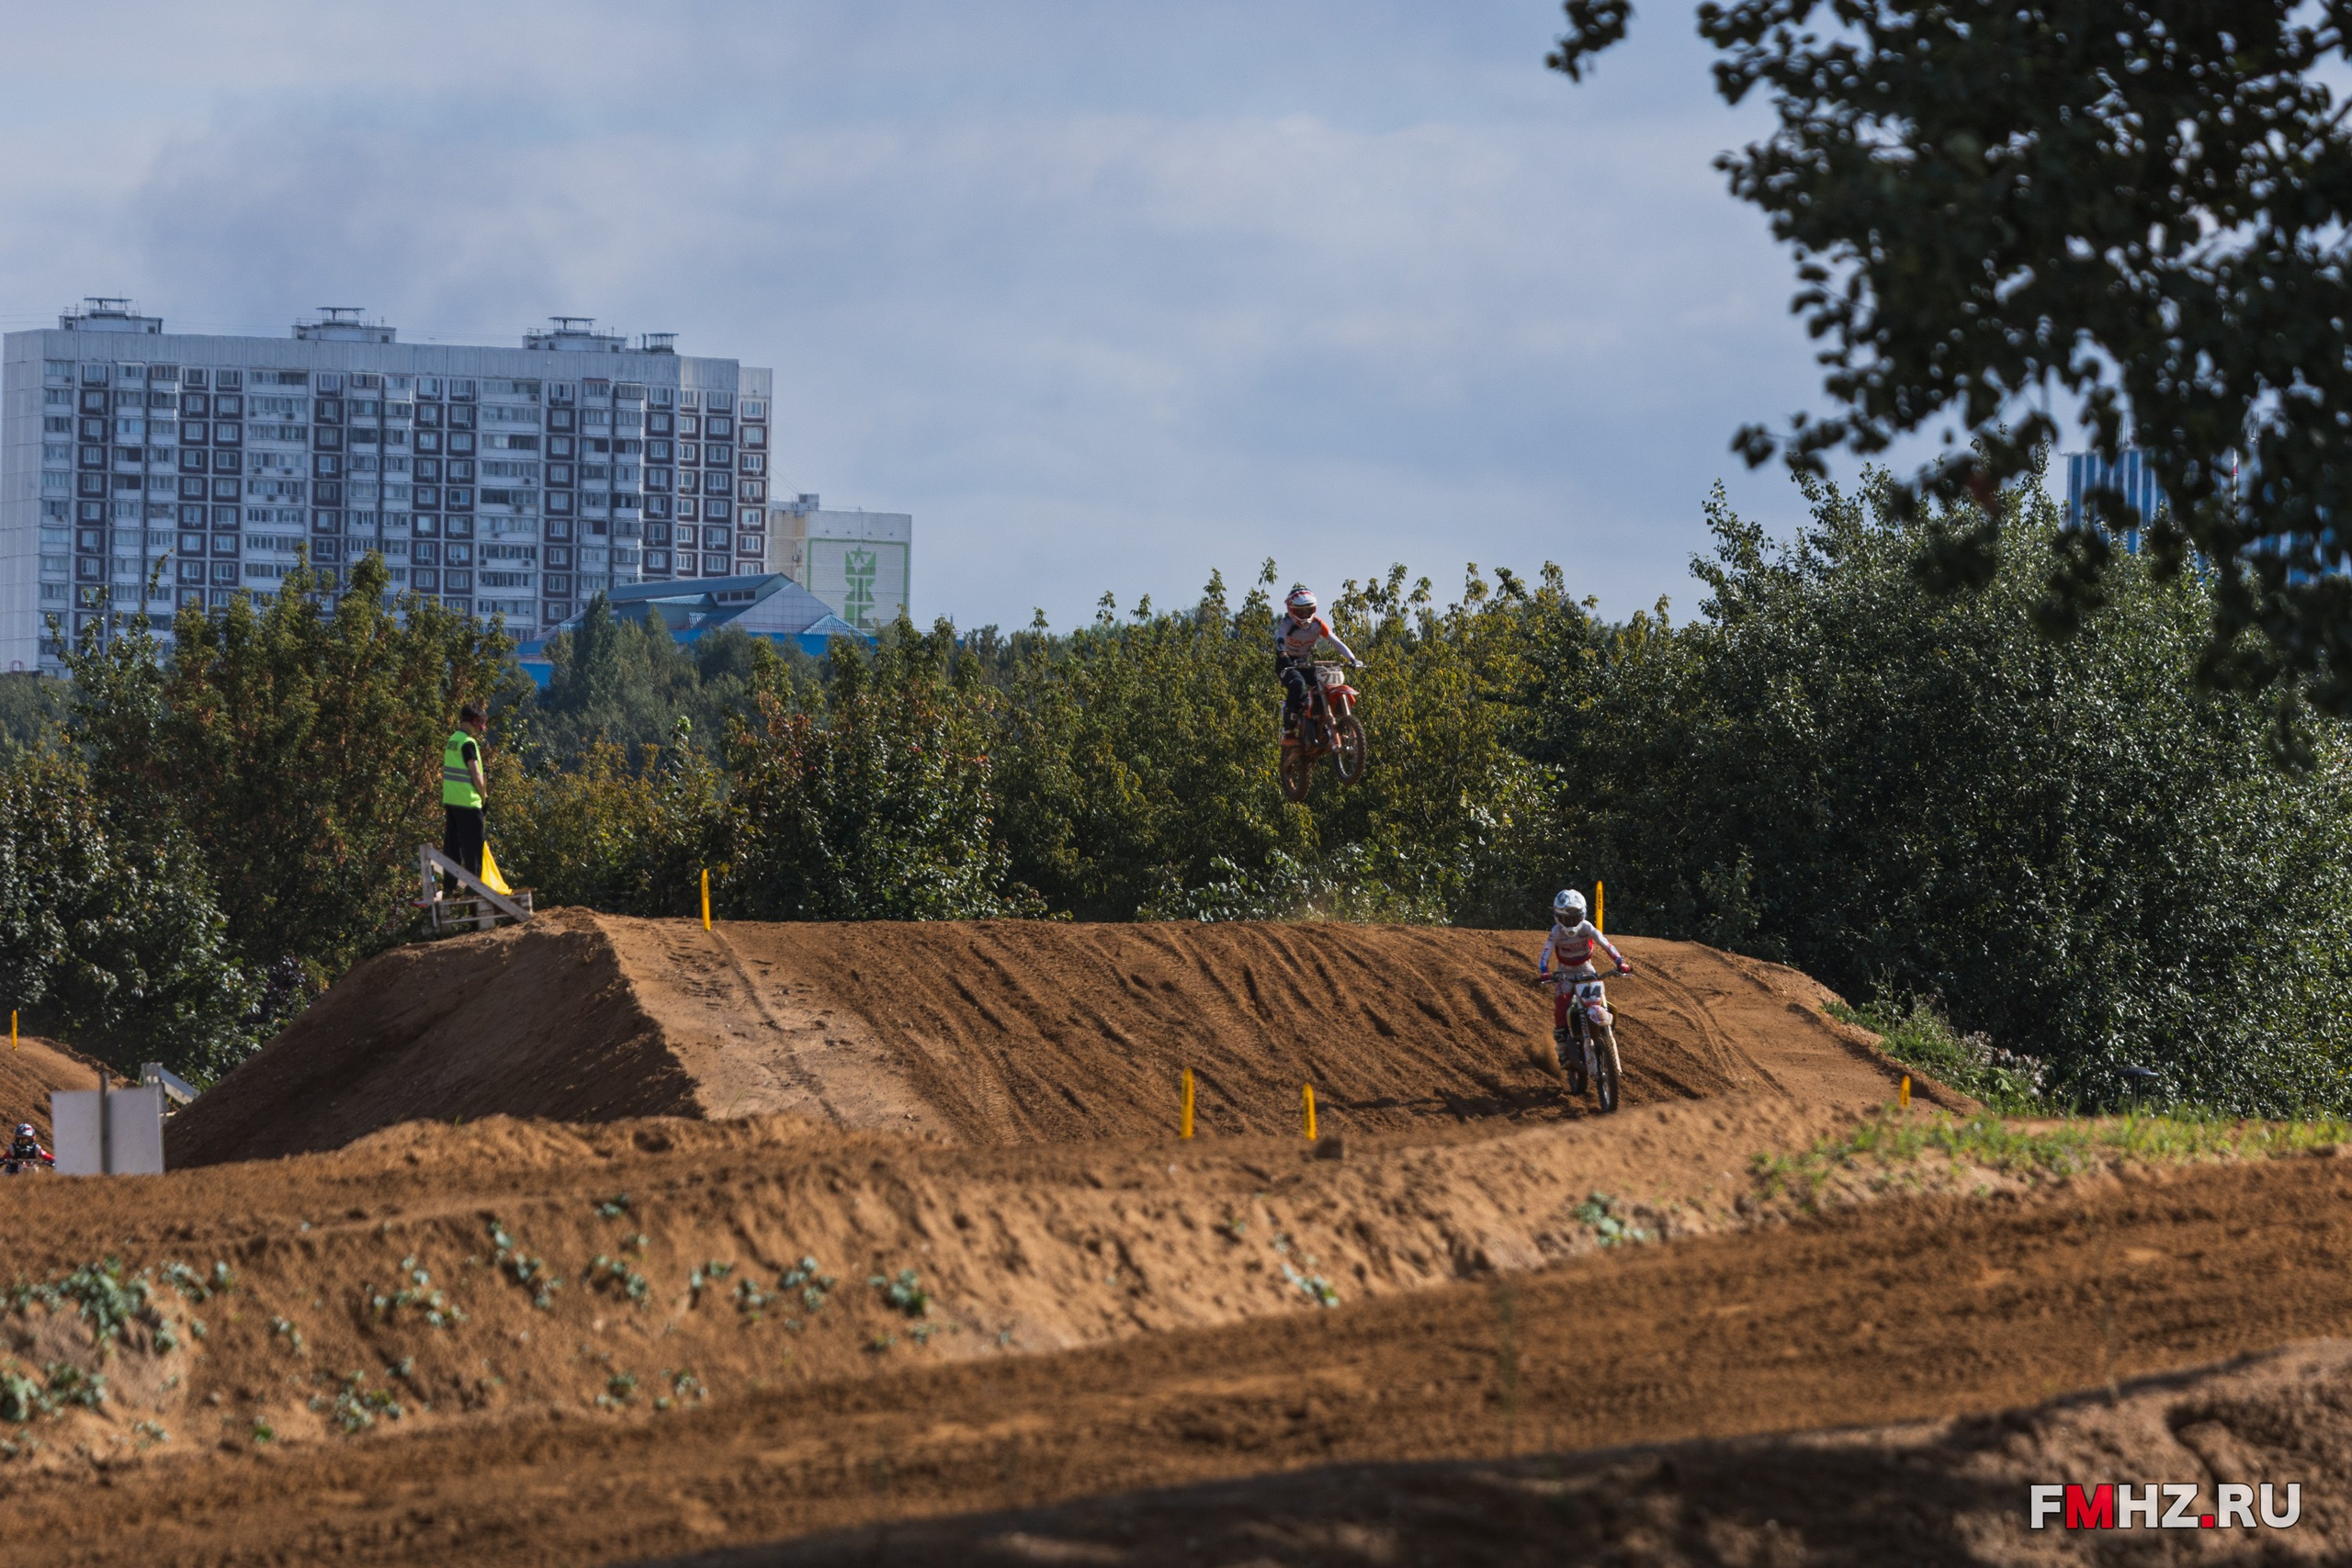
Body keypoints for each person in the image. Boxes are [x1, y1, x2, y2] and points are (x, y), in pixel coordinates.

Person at [1537, 888, 1631, 1047]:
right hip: (1564, 972)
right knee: (1562, 1001)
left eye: (1575, 918)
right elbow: (1546, 951)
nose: (1572, 923)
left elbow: (1605, 943)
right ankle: (1561, 1037)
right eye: (1567, 919)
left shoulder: (1587, 928)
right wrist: (1544, 971)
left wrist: (1619, 961)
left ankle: (1605, 1028)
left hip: (1586, 969)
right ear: (1558, 917)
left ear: (1583, 915)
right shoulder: (1556, 932)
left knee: (1598, 999)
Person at [1273, 586, 1362, 741]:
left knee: (1327, 681)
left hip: (1304, 662)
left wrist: (1352, 659)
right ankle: (1288, 731)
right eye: (1300, 611)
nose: (1305, 615)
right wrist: (1283, 656)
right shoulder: (1286, 623)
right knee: (1298, 684)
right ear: (1291, 610)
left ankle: (1322, 720)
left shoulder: (1317, 624)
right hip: (1286, 662)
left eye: (1308, 610)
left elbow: (1337, 642)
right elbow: (1279, 641)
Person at [440, 703, 489, 895]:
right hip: (468, 802)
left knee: (452, 846)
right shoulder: (468, 743)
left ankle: (449, 887)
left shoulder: (452, 740)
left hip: (452, 800)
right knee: (474, 846)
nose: (481, 728)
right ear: (471, 722)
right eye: (479, 723)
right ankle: (473, 888)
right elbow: (475, 772)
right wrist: (483, 796)